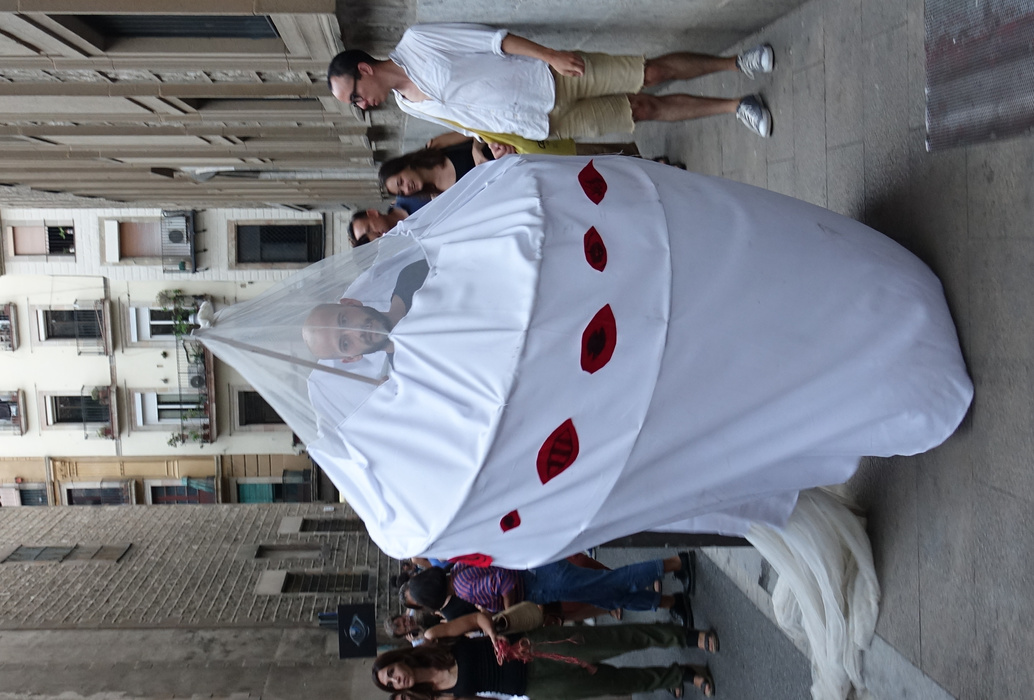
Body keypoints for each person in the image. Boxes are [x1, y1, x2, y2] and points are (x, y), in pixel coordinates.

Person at [327, 24, 775, 143]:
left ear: (364, 70)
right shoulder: (408, 106)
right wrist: (492, 143)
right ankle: (737, 106)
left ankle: (737, 62)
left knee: (649, 72)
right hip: (540, 124)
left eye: (355, 96)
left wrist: (550, 55)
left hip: (548, 76)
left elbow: (492, 40)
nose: (362, 105)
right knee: (642, 110)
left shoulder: (418, 42)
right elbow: (467, 122)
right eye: (355, 105)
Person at [371, 612, 717, 699]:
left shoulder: (433, 639)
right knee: (610, 683)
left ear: (395, 661)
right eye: (392, 684)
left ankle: (684, 636)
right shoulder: (438, 695)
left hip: (530, 649)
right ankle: (681, 674)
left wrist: (492, 635)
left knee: (612, 641)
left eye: (390, 673)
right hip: (533, 688)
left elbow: (476, 619)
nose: (396, 679)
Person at [401, 552, 695, 628]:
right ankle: (667, 601)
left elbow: (504, 583)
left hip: (541, 583)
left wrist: (509, 612)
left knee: (611, 583)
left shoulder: (463, 586)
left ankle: (675, 563)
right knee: (608, 595)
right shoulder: (458, 570)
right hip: (540, 576)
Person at [302, 259, 428, 361]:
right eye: (345, 344)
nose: (357, 332)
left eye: (344, 320)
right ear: (351, 358)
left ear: (351, 303)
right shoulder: (408, 380)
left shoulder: (412, 278)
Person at [378, 140, 491, 198]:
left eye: (401, 182)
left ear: (404, 166)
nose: (406, 189)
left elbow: (476, 130)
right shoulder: (441, 197)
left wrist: (476, 148)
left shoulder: (436, 146)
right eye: (402, 192)